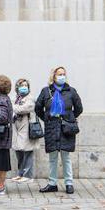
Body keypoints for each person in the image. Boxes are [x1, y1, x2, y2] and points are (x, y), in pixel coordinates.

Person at [35, 66, 83, 194]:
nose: (62, 76)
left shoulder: (71, 91)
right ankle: (52, 183)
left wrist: (69, 118)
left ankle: (69, 183)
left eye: (63, 74)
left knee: (66, 156)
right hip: (52, 127)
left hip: (66, 127)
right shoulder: (46, 91)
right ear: (53, 76)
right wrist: (46, 119)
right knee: (53, 156)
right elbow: (38, 108)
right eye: (59, 74)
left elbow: (79, 108)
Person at [10, 77, 38, 183]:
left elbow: (25, 108)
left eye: (26, 86)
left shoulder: (30, 98)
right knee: (18, 150)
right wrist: (15, 108)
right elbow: (13, 108)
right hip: (16, 126)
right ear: (17, 87)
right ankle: (20, 173)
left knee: (28, 150)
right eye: (22, 85)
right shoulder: (15, 98)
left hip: (27, 126)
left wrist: (14, 108)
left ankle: (28, 175)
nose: (24, 88)